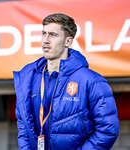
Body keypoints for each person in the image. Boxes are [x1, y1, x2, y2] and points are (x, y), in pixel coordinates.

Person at [13, 13, 119, 150]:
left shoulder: (92, 81)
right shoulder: (28, 78)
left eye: (53, 35)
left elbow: (107, 130)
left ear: (68, 42)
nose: (46, 40)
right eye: (44, 33)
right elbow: (23, 125)